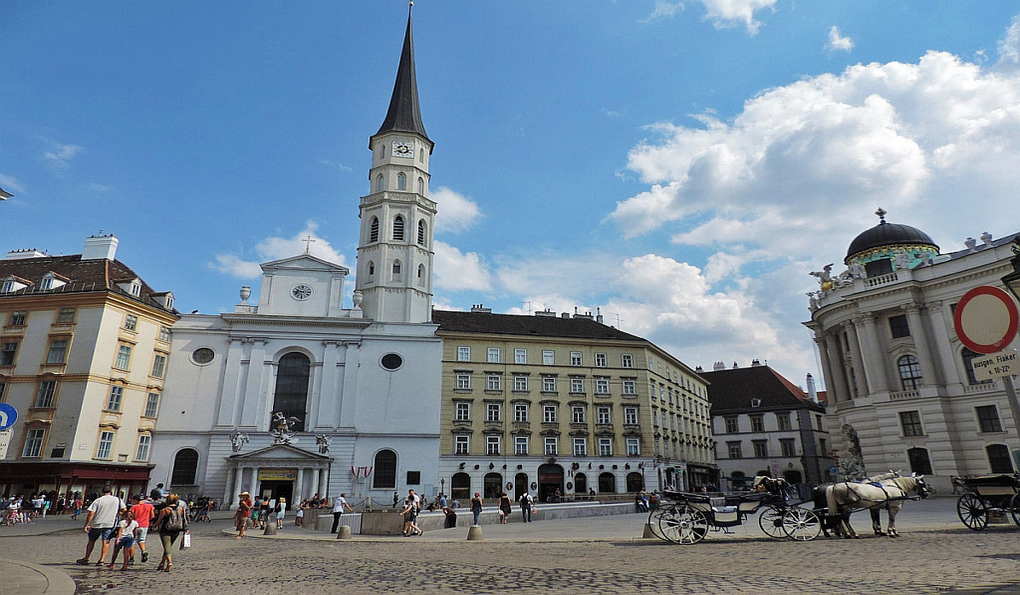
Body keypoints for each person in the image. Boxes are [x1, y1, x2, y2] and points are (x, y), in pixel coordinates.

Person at [77, 485, 124, 566]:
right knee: (106, 541)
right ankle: (102, 560)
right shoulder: (117, 500)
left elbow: (91, 513)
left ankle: (86, 558)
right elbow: (124, 509)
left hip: (97, 523)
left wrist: (87, 524)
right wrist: (117, 514)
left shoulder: (98, 500)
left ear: (102, 492)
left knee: (91, 541)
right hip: (110, 523)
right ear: (111, 492)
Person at [155, 494, 188, 572]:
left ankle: (169, 562)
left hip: (165, 530)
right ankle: (162, 563)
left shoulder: (165, 510)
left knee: (167, 547)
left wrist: (153, 525)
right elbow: (184, 519)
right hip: (176, 529)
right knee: (168, 547)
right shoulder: (181, 509)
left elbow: (159, 521)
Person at [129, 494, 155, 562]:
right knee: (141, 540)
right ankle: (143, 551)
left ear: (135, 500)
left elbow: (130, 516)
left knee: (132, 541)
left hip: (135, 525)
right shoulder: (150, 506)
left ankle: (131, 559)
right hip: (145, 525)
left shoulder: (134, 507)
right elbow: (152, 516)